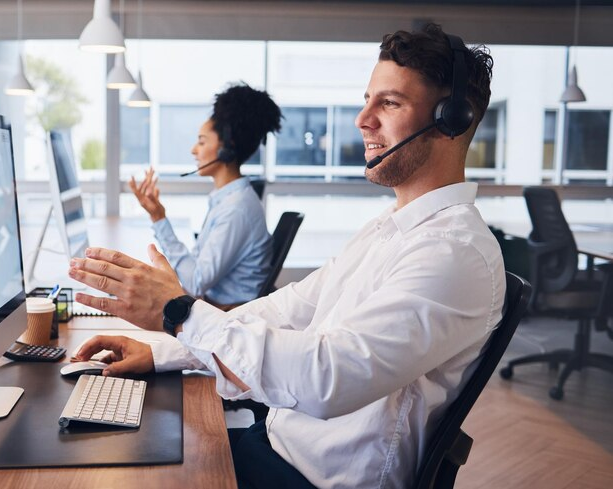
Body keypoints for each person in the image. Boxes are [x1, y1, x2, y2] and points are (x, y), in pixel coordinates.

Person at [68, 24, 504, 489]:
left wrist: (178, 313)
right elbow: (289, 309)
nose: (362, 118)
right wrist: (165, 351)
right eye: (367, 99)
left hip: (308, 479)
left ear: (451, 119)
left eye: (389, 103)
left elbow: (326, 378)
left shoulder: (454, 253)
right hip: (275, 446)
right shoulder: (388, 230)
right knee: (120, 455)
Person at [129, 84, 281, 308]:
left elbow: (195, 282)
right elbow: (197, 266)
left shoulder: (236, 209)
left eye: (201, 141)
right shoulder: (227, 199)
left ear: (226, 149)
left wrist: (160, 220)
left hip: (224, 316)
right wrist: (158, 215)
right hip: (213, 308)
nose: (193, 150)